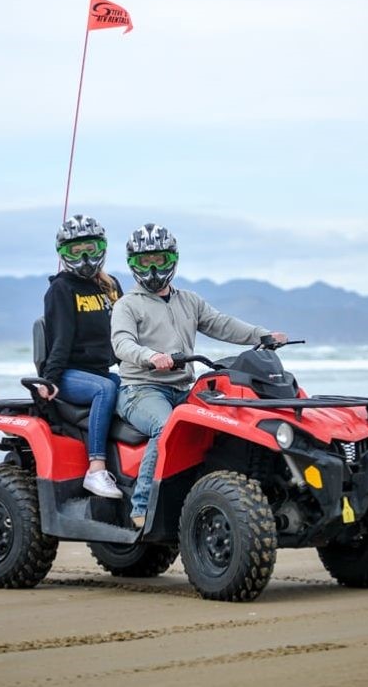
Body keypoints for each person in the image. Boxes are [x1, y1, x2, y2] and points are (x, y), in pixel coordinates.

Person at [111, 223, 287, 527]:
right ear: (133, 264)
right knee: (166, 427)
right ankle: (142, 507)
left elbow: (222, 324)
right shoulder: (127, 304)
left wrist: (263, 335)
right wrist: (151, 357)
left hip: (183, 388)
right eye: (144, 261)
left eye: (160, 259)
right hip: (141, 390)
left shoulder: (188, 301)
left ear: (173, 260)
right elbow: (122, 343)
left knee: (228, 422)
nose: (153, 268)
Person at [37, 214, 124, 499]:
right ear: (63, 253)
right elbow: (59, 340)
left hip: (101, 370)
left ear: (102, 248)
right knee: (105, 388)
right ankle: (96, 469)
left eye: (91, 247)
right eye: (76, 249)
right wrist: (49, 381)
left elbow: (124, 336)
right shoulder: (61, 289)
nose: (85, 255)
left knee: (135, 390)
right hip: (69, 374)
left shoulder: (111, 287)